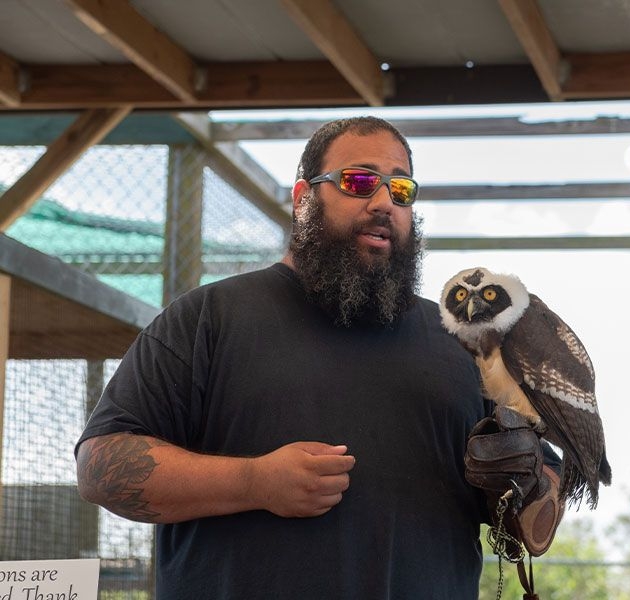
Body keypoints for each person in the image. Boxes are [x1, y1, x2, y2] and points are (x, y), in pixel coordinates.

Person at [75, 116, 560, 599]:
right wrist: (254, 482)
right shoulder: (208, 318)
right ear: (303, 196)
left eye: (401, 189)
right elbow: (100, 466)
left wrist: (528, 489)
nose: (383, 203)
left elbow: (542, 495)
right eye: (359, 181)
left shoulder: (465, 343)